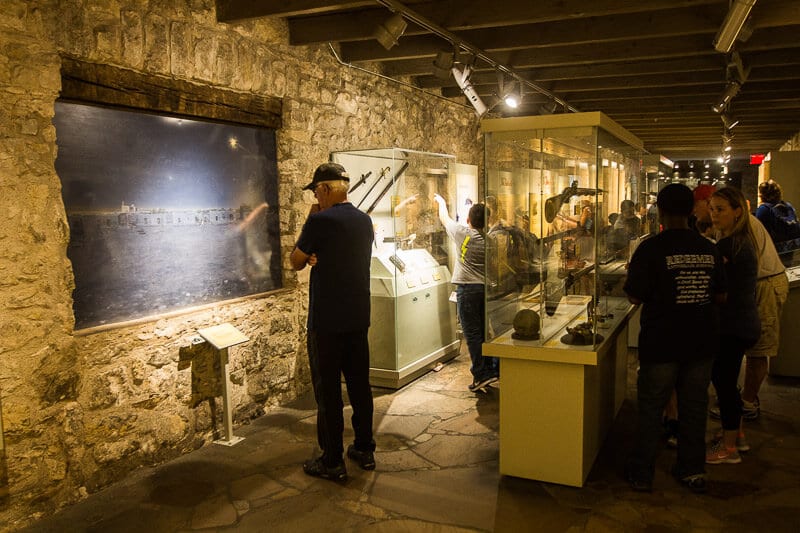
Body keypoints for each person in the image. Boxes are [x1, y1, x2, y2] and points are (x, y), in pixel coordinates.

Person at [623, 184, 726, 493]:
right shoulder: (709, 248)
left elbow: (634, 297)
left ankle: (642, 472)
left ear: (661, 211)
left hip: (662, 342)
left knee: (652, 408)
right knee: (694, 407)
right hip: (701, 341)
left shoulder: (651, 248)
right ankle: (692, 468)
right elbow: (721, 295)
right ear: (692, 210)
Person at [290, 162, 376, 482]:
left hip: (326, 321)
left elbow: (296, 261)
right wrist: (318, 253)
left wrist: (310, 227)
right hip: (357, 317)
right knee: (359, 387)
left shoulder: (320, 220)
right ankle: (365, 448)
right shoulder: (365, 221)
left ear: (325, 189)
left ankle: (332, 460)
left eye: (316, 190)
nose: (316, 196)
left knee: (328, 393)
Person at [706, 186, 761, 465]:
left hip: (732, 325)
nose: (714, 215)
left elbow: (720, 289)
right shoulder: (741, 241)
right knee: (728, 382)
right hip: (742, 323)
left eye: (720, 209)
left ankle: (728, 449)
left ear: (737, 211)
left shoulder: (729, 246)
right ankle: (737, 435)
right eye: (712, 209)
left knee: (724, 384)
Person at [434, 193, 499, 391]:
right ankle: (491, 368)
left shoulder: (463, 234)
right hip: (483, 290)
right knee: (483, 332)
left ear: (469, 219)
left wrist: (441, 202)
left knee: (471, 334)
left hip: (467, 290)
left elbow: (444, 218)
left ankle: (480, 374)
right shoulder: (490, 241)